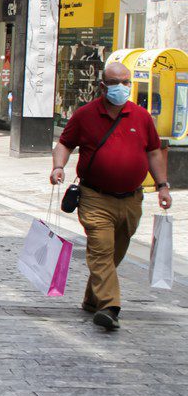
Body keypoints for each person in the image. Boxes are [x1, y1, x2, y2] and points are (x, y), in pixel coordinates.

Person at [50, 61, 172, 331]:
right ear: (103, 86)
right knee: (101, 249)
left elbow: (153, 152)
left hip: (131, 199)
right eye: (116, 83)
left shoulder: (141, 116)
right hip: (95, 197)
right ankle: (110, 306)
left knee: (115, 253)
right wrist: (58, 166)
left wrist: (163, 185)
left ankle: (93, 300)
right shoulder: (85, 114)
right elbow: (65, 144)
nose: (122, 87)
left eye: (126, 82)